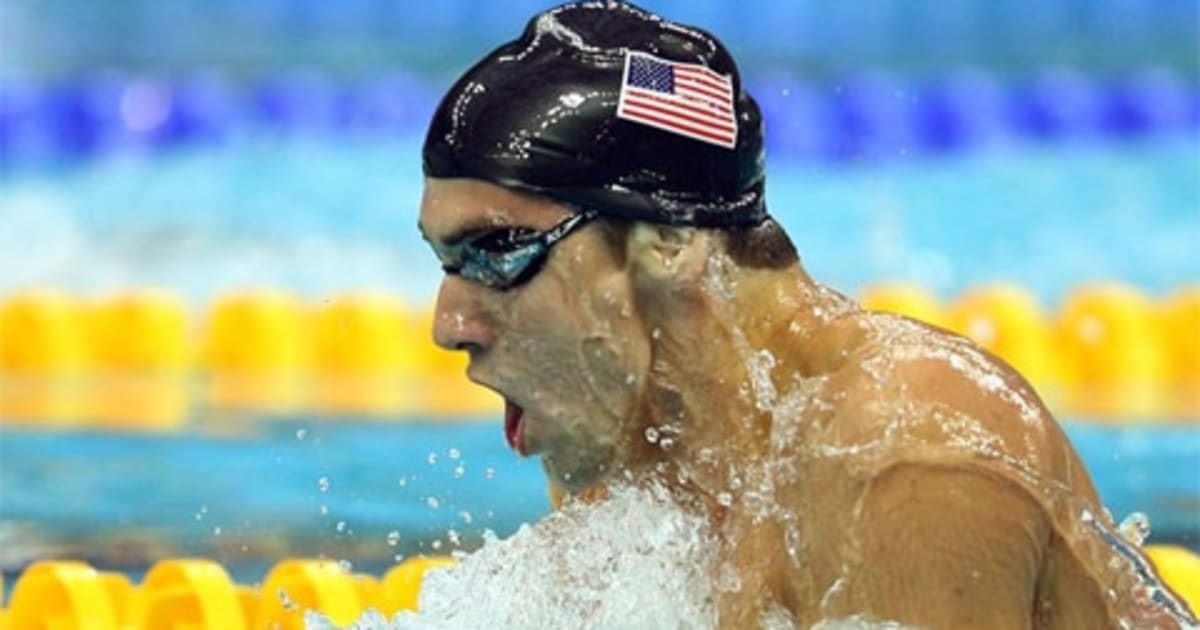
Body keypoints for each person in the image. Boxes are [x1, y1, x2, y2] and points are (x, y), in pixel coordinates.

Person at [416, 2, 1197, 628]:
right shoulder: (641, 450)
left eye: (498, 250)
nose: (448, 321)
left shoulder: (905, 462)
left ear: (669, 242)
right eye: (447, 262)